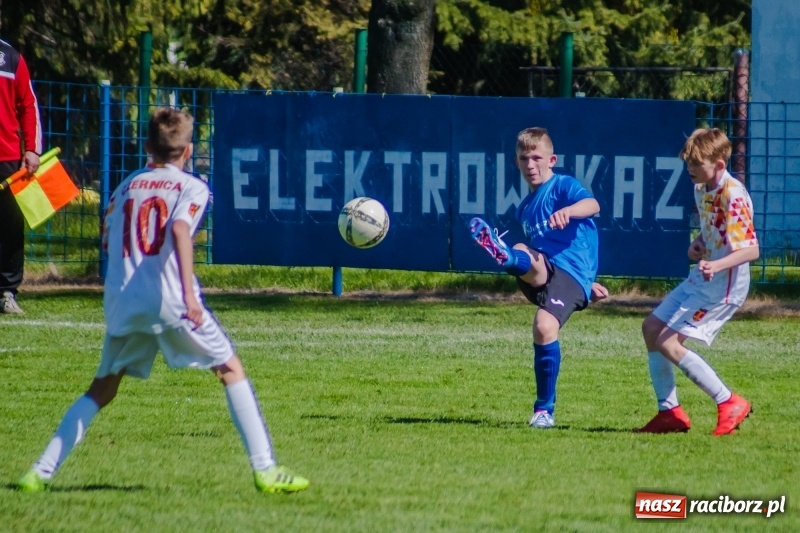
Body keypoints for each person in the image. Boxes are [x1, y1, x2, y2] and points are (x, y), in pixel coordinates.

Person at [17, 108, 309, 493]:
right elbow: (180, 229)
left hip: (124, 300)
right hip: (172, 298)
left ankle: (39, 471)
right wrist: (189, 293)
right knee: (230, 369)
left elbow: (106, 237)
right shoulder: (193, 187)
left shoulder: (127, 185)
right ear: (187, 151)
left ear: (147, 147)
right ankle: (266, 469)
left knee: (101, 390)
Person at [470, 127, 608, 429]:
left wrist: (570, 211)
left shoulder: (563, 187)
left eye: (536, 157)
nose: (530, 164)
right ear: (517, 162)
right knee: (521, 248)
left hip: (570, 274)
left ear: (551, 160)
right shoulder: (525, 209)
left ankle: (544, 411)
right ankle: (508, 257)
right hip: (544, 271)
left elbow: (593, 206)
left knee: (544, 326)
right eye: (524, 158)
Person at [637, 127, 759, 436]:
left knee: (667, 342)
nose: (690, 169)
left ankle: (728, 401)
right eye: (688, 162)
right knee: (651, 329)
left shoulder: (733, 194)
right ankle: (670, 413)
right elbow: (714, 230)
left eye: (696, 163)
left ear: (719, 164)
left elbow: (750, 250)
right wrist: (700, 243)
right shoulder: (701, 187)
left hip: (724, 286)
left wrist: (716, 263)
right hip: (705, 276)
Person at [0, 37, 42, 314]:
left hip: (8, 157)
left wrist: (33, 149)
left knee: (10, 227)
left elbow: (28, 104)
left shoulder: (11, 57)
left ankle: (6, 293)